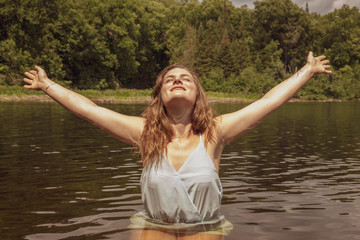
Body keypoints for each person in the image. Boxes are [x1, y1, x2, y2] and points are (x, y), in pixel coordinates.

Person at [23, 52, 331, 240]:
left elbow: (267, 102)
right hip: (154, 226)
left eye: (186, 78)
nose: (178, 80)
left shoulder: (215, 134)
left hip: (204, 228)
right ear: (159, 95)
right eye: (170, 78)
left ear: (198, 94)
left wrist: (308, 70)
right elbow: (91, 111)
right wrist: (47, 84)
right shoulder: (144, 133)